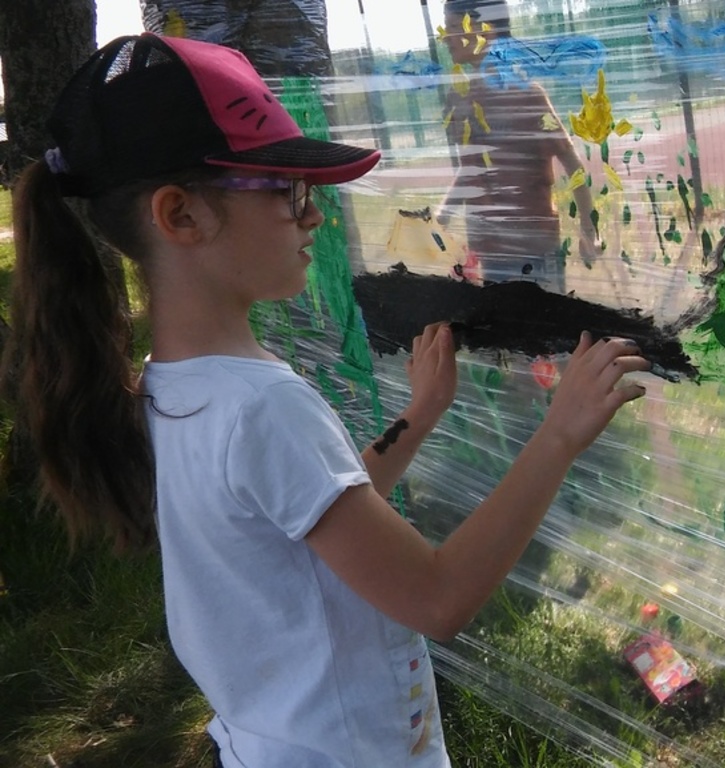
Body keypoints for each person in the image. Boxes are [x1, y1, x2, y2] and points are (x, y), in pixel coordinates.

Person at [5, 33, 649, 768]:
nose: (313, 216)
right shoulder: (261, 405)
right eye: (286, 191)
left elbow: (317, 511)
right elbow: (437, 599)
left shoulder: (176, 384)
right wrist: (559, 434)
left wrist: (419, 415)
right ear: (181, 216)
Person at [437, 0, 601, 293]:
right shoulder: (461, 97)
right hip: (490, 248)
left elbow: (570, 160)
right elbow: (471, 169)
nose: (445, 38)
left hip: (533, 248)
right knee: (503, 320)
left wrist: (589, 229)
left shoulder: (526, 95)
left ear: (483, 30)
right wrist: (440, 219)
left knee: (543, 318)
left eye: (452, 27)